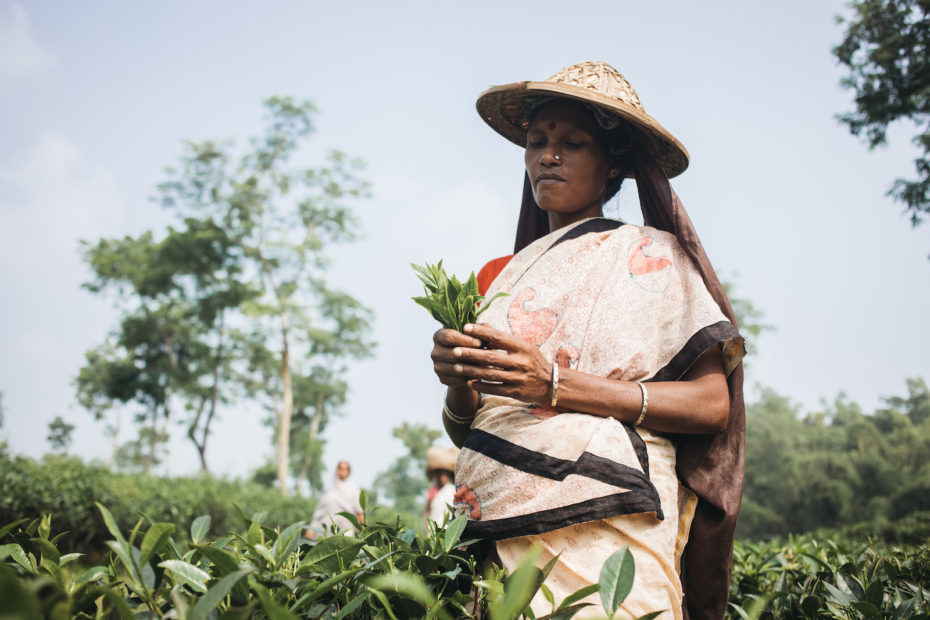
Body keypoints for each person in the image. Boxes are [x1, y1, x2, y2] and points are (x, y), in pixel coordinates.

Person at [430, 62, 746, 620]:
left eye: (572, 142)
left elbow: (711, 405)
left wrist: (555, 383)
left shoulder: (654, 259)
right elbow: (469, 426)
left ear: (614, 163)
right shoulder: (496, 278)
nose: (547, 156)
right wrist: (457, 386)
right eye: (536, 141)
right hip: (499, 529)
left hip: (610, 527)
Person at [305, 460, 364, 539]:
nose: (342, 471)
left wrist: (363, 530)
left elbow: (359, 510)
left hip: (345, 527)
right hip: (326, 528)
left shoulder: (353, 488)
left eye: (345, 469)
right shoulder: (328, 487)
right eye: (340, 468)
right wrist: (311, 529)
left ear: (349, 472)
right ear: (336, 470)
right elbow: (320, 510)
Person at [425, 446, 459, 526]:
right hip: (434, 530)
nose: (442, 478)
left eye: (444, 475)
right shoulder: (433, 491)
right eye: (440, 475)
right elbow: (427, 511)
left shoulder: (452, 490)